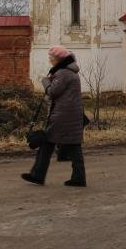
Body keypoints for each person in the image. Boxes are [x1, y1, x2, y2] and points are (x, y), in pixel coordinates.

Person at [21, 45, 87, 187]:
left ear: (59, 59)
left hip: (62, 116)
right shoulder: (71, 72)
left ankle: (38, 175)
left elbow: (53, 92)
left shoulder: (63, 73)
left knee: (47, 142)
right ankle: (79, 177)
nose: (50, 60)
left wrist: (45, 81)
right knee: (74, 146)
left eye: (51, 57)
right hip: (71, 115)